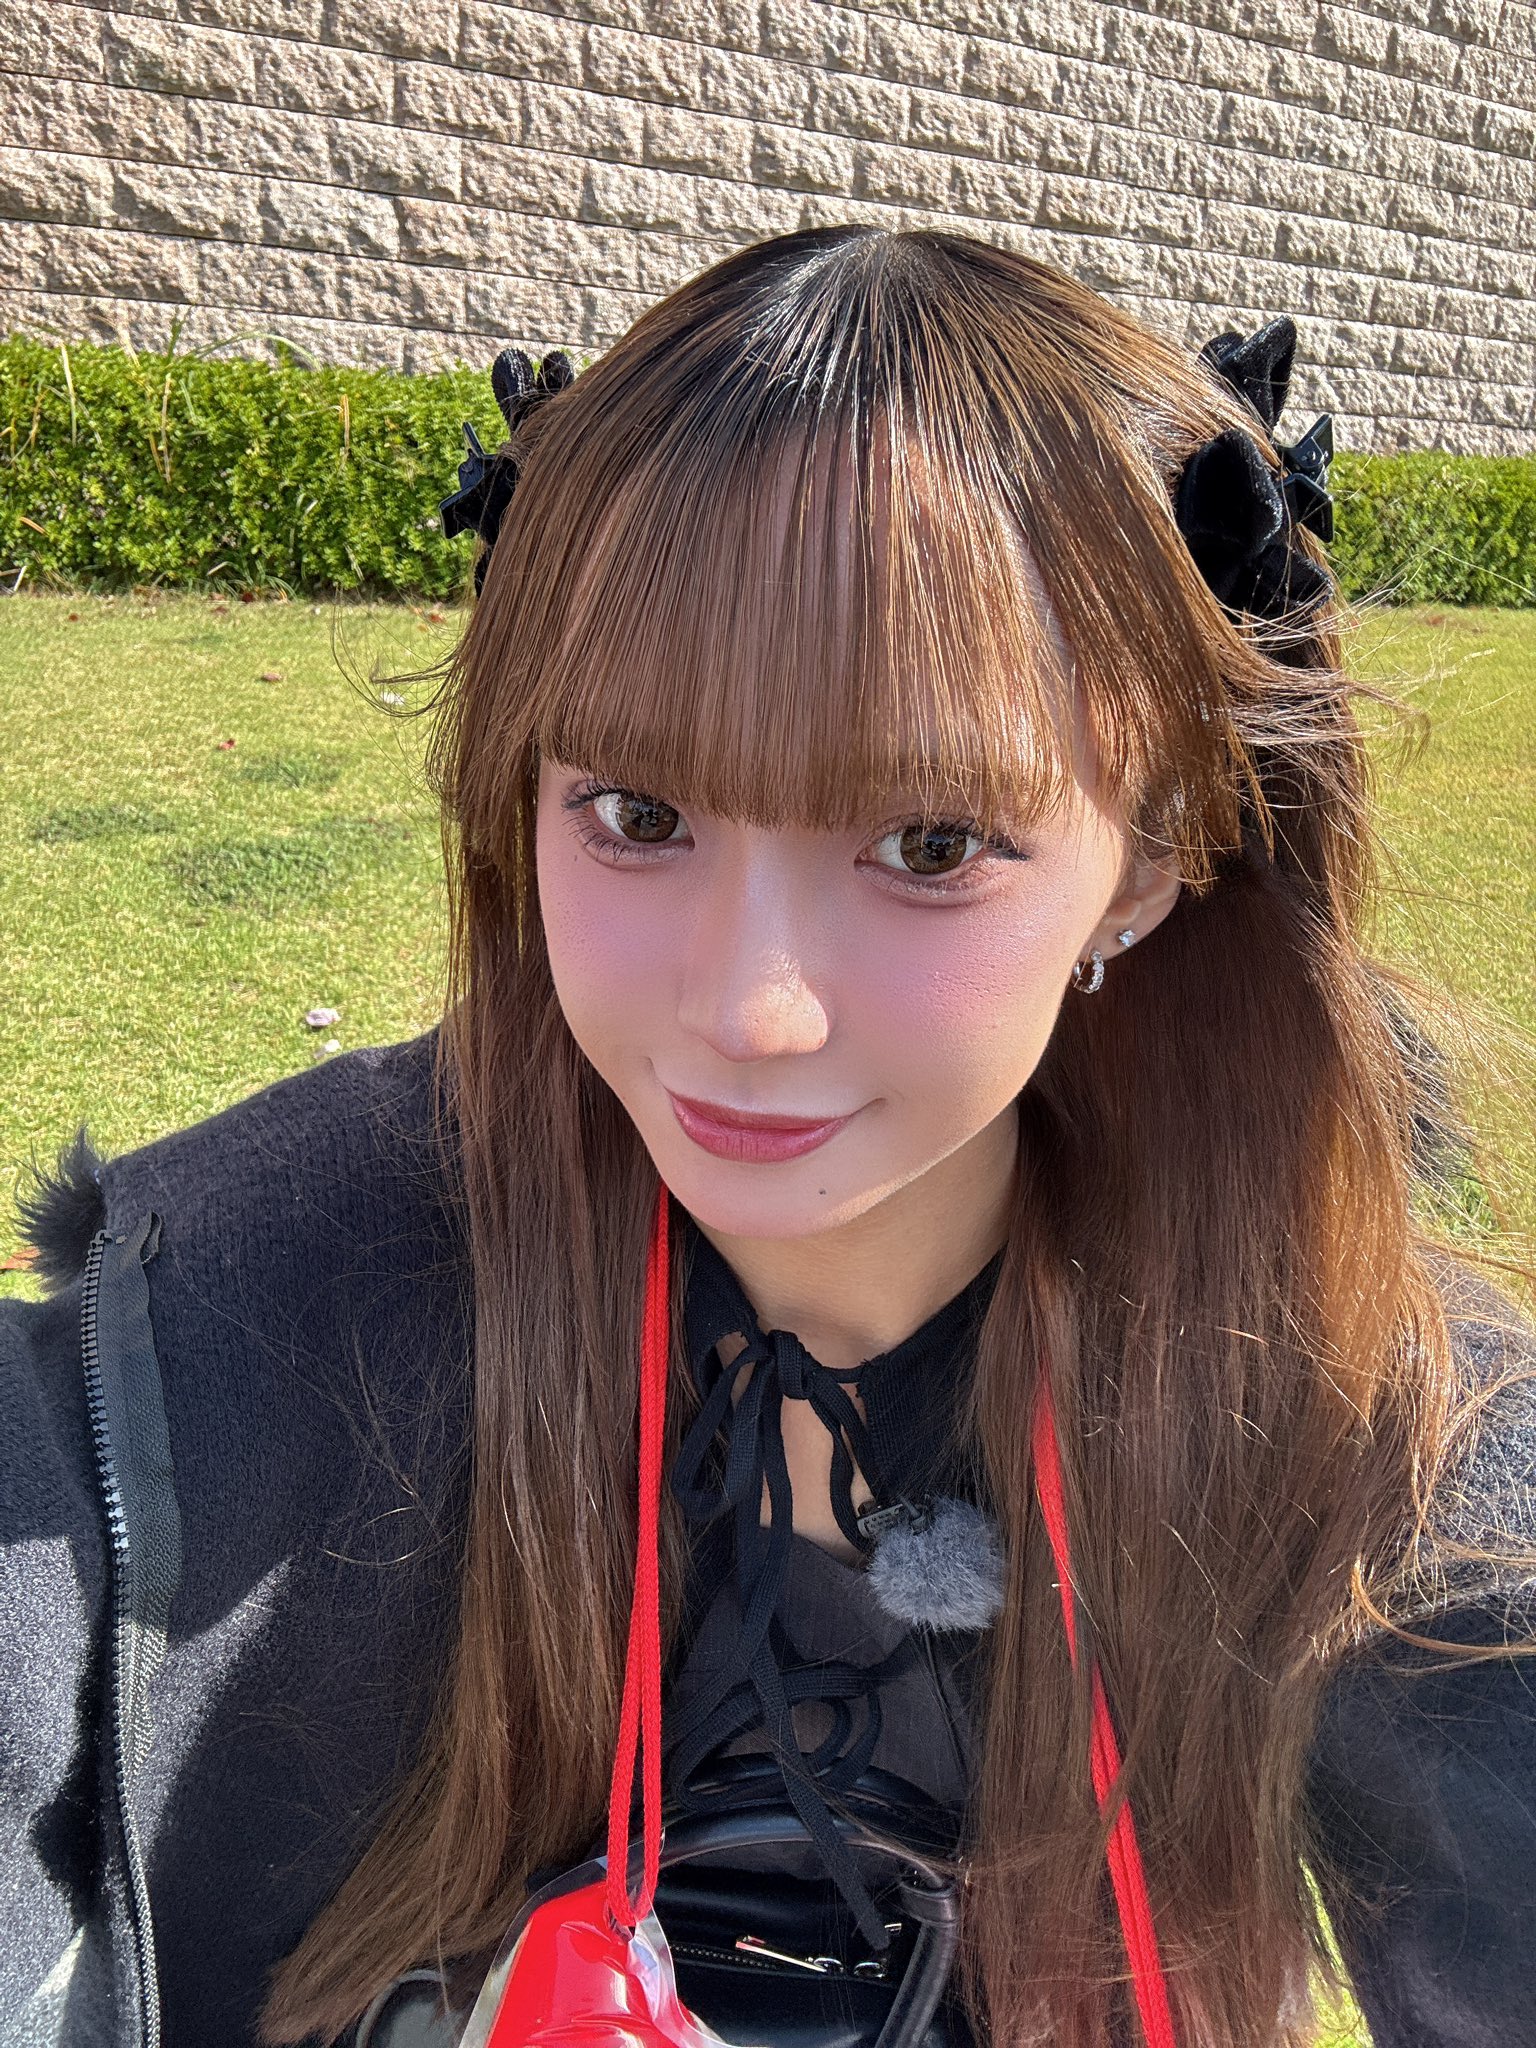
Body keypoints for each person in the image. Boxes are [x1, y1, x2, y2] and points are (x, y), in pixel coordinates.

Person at [5, 225, 1535, 2048]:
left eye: (930, 845)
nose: (752, 1009)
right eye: (639, 814)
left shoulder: (1354, 1407)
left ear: (1148, 858)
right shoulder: (235, 1310)